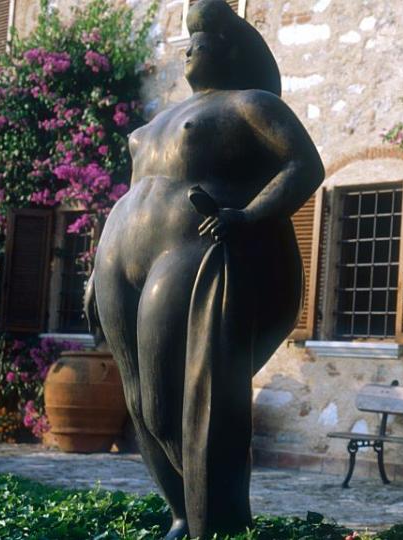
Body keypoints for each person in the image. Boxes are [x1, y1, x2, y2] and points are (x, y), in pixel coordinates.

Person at [87, 0, 324, 538]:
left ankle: (216, 521)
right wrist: (91, 276)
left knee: (182, 395)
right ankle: (179, 513)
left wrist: (249, 216)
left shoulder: (250, 103)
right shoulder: (154, 124)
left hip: (190, 254)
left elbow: (303, 165)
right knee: (139, 400)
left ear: (233, 48)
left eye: (205, 36)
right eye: (188, 37)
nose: (190, 46)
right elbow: (134, 193)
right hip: (119, 262)